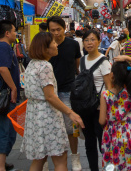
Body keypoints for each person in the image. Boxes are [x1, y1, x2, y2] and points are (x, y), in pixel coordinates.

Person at [21, 32, 85, 171]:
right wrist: (70, 113)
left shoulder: (32, 64)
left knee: (39, 159)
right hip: (47, 116)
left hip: (34, 116)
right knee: (60, 159)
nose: (57, 45)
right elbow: (50, 96)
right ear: (45, 48)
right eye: (53, 43)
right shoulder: (45, 66)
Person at [47, 16, 83, 171]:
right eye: (52, 30)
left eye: (58, 29)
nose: (56, 33)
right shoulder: (46, 45)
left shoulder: (73, 45)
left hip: (67, 90)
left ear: (64, 28)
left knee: (71, 127)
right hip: (49, 93)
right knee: (49, 128)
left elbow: (77, 67)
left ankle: (75, 157)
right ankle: (46, 160)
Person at [0, 20, 21, 171]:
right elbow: (3, 69)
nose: (16, 33)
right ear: (7, 33)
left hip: (2, 97)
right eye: (14, 31)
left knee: (5, 130)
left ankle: (2, 163)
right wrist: (13, 88)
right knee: (4, 130)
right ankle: (1, 167)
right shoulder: (3, 47)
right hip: (4, 97)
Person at [79, 29, 112, 171]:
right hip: (85, 108)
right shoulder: (81, 60)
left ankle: (108, 167)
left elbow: (109, 88)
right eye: (86, 40)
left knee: (103, 142)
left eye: (92, 40)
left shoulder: (104, 62)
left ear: (99, 41)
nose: (89, 43)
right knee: (89, 143)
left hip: (100, 108)